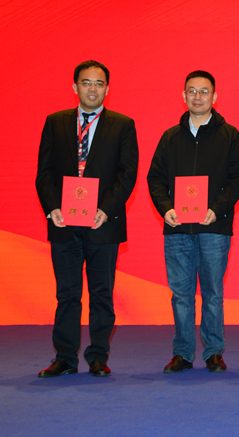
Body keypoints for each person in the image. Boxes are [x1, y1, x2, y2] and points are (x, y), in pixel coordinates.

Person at [35, 60, 139, 378]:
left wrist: (105, 209)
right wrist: (52, 207)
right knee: (67, 294)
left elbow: (127, 173)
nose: (92, 88)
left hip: (102, 224)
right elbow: (44, 172)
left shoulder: (123, 124)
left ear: (107, 88)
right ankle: (65, 358)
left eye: (98, 83)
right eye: (86, 82)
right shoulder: (56, 122)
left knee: (101, 294)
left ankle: (98, 357)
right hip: (63, 224)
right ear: (75, 87)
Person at [147, 70, 239, 374]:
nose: (198, 97)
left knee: (213, 293)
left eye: (204, 91)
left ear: (215, 96)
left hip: (214, 226)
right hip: (177, 228)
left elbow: (236, 179)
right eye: (192, 91)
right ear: (184, 96)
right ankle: (183, 353)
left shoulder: (229, 135)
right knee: (181, 295)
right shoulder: (170, 137)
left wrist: (217, 209)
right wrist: (165, 209)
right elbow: (155, 178)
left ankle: (214, 352)